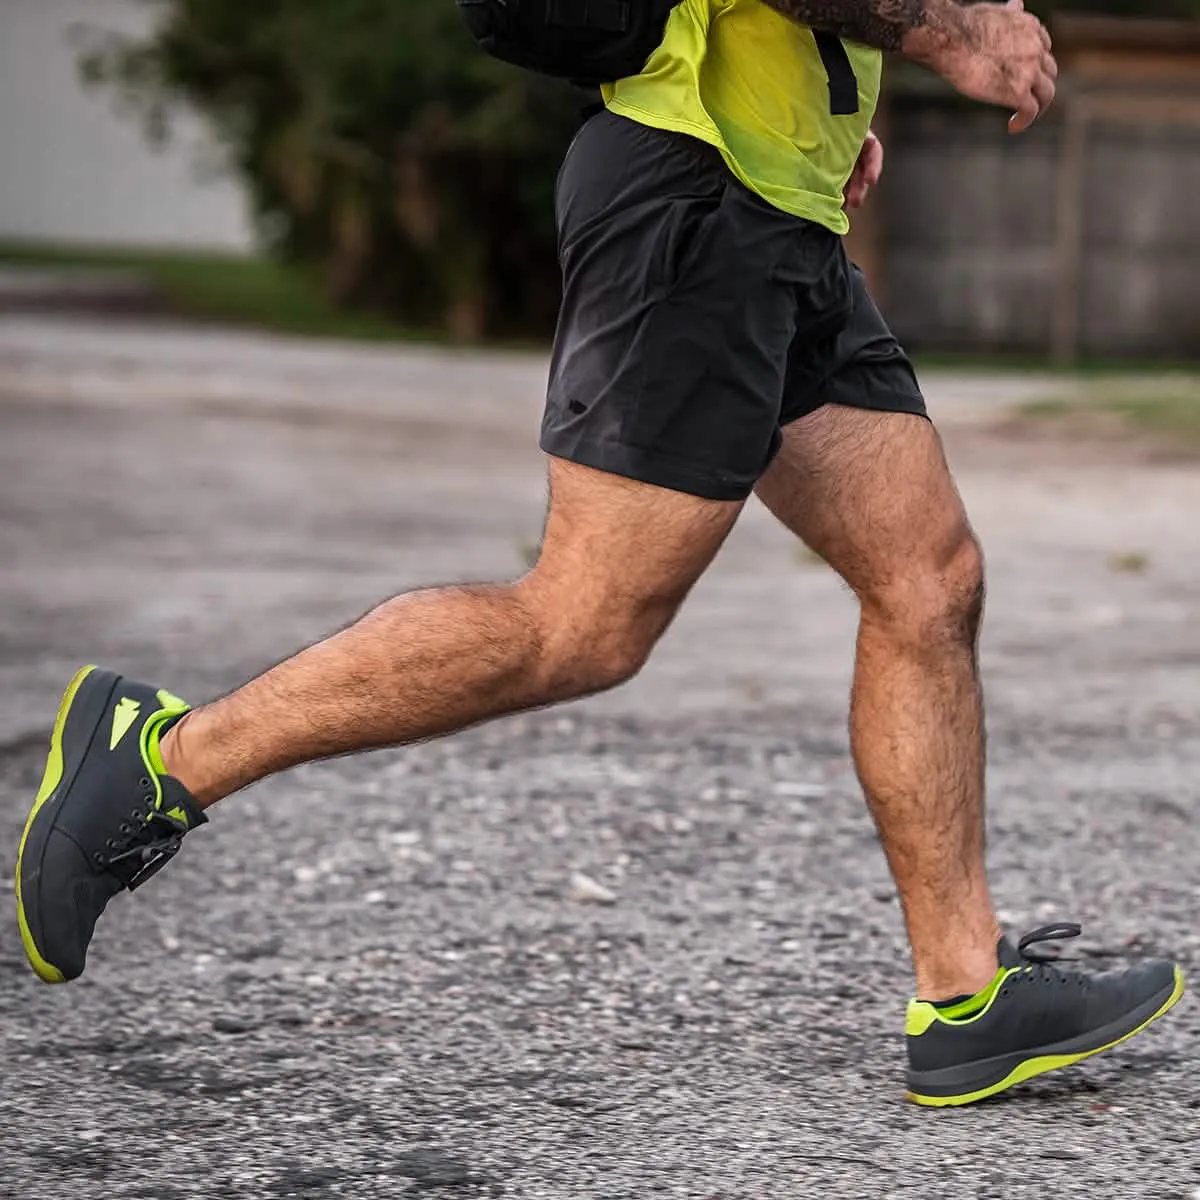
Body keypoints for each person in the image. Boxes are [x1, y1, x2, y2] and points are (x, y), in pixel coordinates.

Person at [14, 0, 1183, 1107]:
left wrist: (824, 119)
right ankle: (158, 762)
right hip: (696, 204)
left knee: (929, 578)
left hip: (775, 203)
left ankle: (965, 992)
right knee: (580, 624)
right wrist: (953, 25)